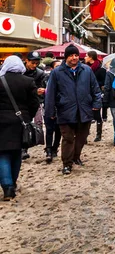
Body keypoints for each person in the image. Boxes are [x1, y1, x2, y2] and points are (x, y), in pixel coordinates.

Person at [44, 44, 102, 175]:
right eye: (71, 55)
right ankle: (67, 163)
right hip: (65, 110)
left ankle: (76, 156)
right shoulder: (57, 72)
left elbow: (95, 89)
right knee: (68, 138)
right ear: (66, 57)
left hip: (84, 110)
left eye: (76, 55)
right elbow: (51, 93)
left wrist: (96, 104)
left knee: (82, 137)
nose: (74, 58)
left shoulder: (87, 70)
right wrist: (50, 112)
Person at [0, 56, 39, 200]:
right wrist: (27, 118)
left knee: (2, 153)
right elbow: (34, 103)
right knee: (17, 153)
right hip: (20, 122)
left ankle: (7, 186)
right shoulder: (28, 81)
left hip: (2, 123)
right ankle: (13, 183)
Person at [22, 51, 46, 160]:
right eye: (32, 63)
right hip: (21, 102)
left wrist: (41, 91)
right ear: (27, 61)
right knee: (23, 124)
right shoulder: (19, 71)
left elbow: (41, 86)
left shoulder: (40, 73)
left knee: (38, 122)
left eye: (37, 63)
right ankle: (23, 149)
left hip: (35, 101)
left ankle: (34, 141)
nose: (34, 65)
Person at [84, 50, 107, 142]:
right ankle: (84, 135)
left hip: (96, 94)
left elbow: (103, 82)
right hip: (85, 93)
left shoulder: (100, 69)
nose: (85, 57)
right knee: (85, 115)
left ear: (91, 57)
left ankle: (98, 134)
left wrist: (96, 84)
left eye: (86, 56)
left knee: (97, 115)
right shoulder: (84, 67)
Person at [43, 60, 62, 163]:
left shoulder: (64, 78)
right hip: (49, 107)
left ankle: (55, 148)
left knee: (59, 130)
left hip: (61, 108)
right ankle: (49, 150)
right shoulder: (46, 79)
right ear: (52, 68)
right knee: (49, 130)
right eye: (57, 66)